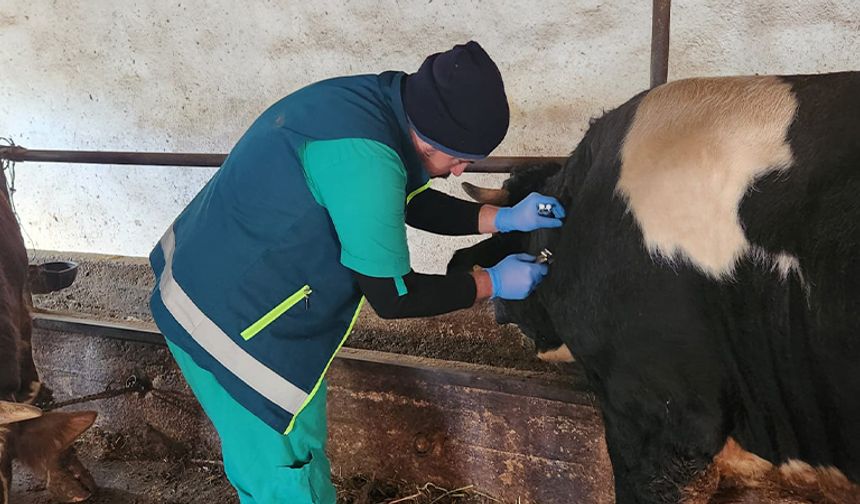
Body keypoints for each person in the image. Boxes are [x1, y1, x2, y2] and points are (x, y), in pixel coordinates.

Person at [148, 41, 565, 503]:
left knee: (266, 464)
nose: (459, 171)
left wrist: (500, 220)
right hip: (236, 333)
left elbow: (404, 194)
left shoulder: (375, 102)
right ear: (428, 138)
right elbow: (394, 297)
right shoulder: (366, 161)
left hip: (205, 279)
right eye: (460, 158)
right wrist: (492, 282)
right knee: (288, 476)